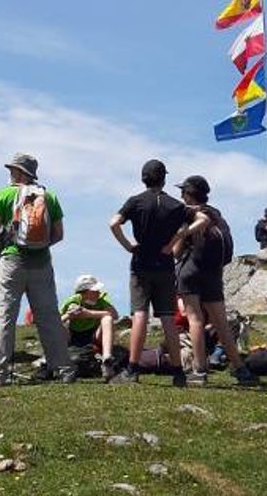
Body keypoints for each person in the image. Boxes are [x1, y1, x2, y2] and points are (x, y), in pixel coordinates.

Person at [0, 153, 74, 386]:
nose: (10, 173)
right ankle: (64, 368)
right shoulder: (49, 196)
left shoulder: (4, 194)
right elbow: (59, 234)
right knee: (49, 317)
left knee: (5, 317)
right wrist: (41, 246)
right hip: (41, 262)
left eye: (13, 170)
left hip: (12, 260)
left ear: (20, 173)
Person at [108, 159, 190, 386]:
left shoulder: (136, 202)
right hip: (164, 265)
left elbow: (114, 223)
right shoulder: (176, 205)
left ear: (144, 178)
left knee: (140, 315)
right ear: (163, 179)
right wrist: (172, 243)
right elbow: (186, 227)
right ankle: (178, 373)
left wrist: (128, 245)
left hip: (141, 263)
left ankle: (132, 370)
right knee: (168, 319)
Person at [169, 175, 257, 386]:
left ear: (189, 194)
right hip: (213, 273)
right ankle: (240, 369)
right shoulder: (216, 214)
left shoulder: (188, 214)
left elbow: (176, 252)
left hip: (190, 272)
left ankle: (199, 371)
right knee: (221, 322)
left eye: (183, 191)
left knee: (195, 319)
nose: (181, 195)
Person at [59, 274, 118, 377]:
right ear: (84, 293)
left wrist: (88, 313)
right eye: (94, 291)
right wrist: (69, 315)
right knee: (61, 325)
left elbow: (115, 315)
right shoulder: (74, 300)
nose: (98, 293)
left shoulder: (100, 301)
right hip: (72, 336)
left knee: (107, 319)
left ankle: (107, 357)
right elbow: (58, 322)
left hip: (93, 335)